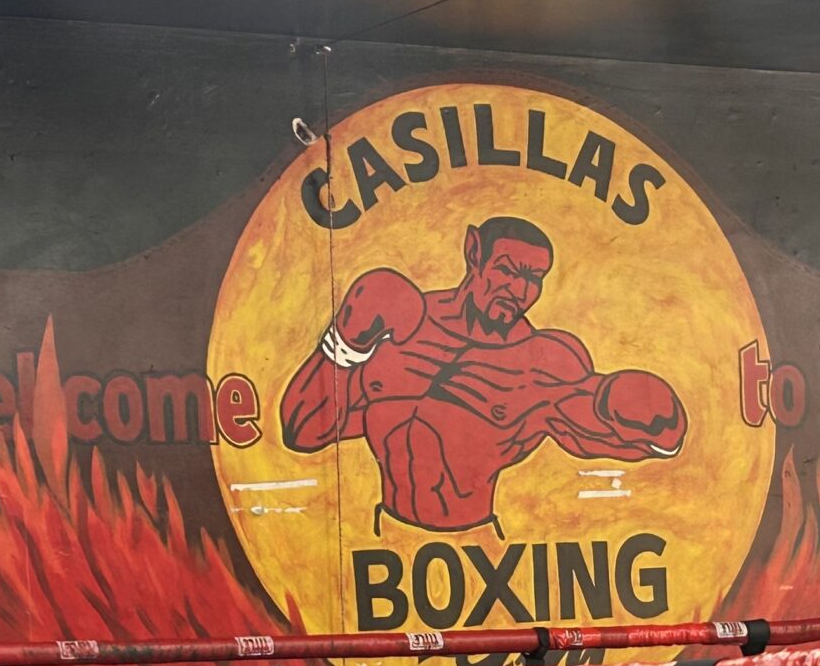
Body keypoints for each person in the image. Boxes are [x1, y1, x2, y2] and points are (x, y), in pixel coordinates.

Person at [280, 215, 687, 531]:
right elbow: (304, 431)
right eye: (508, 271)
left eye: (534, 279)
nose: (520, 291)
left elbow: (655, 440)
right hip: (382, 537)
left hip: (480, 545)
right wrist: (344, 344)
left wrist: (639, 407)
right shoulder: (396, 329)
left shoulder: (542, 363)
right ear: (474, 251)